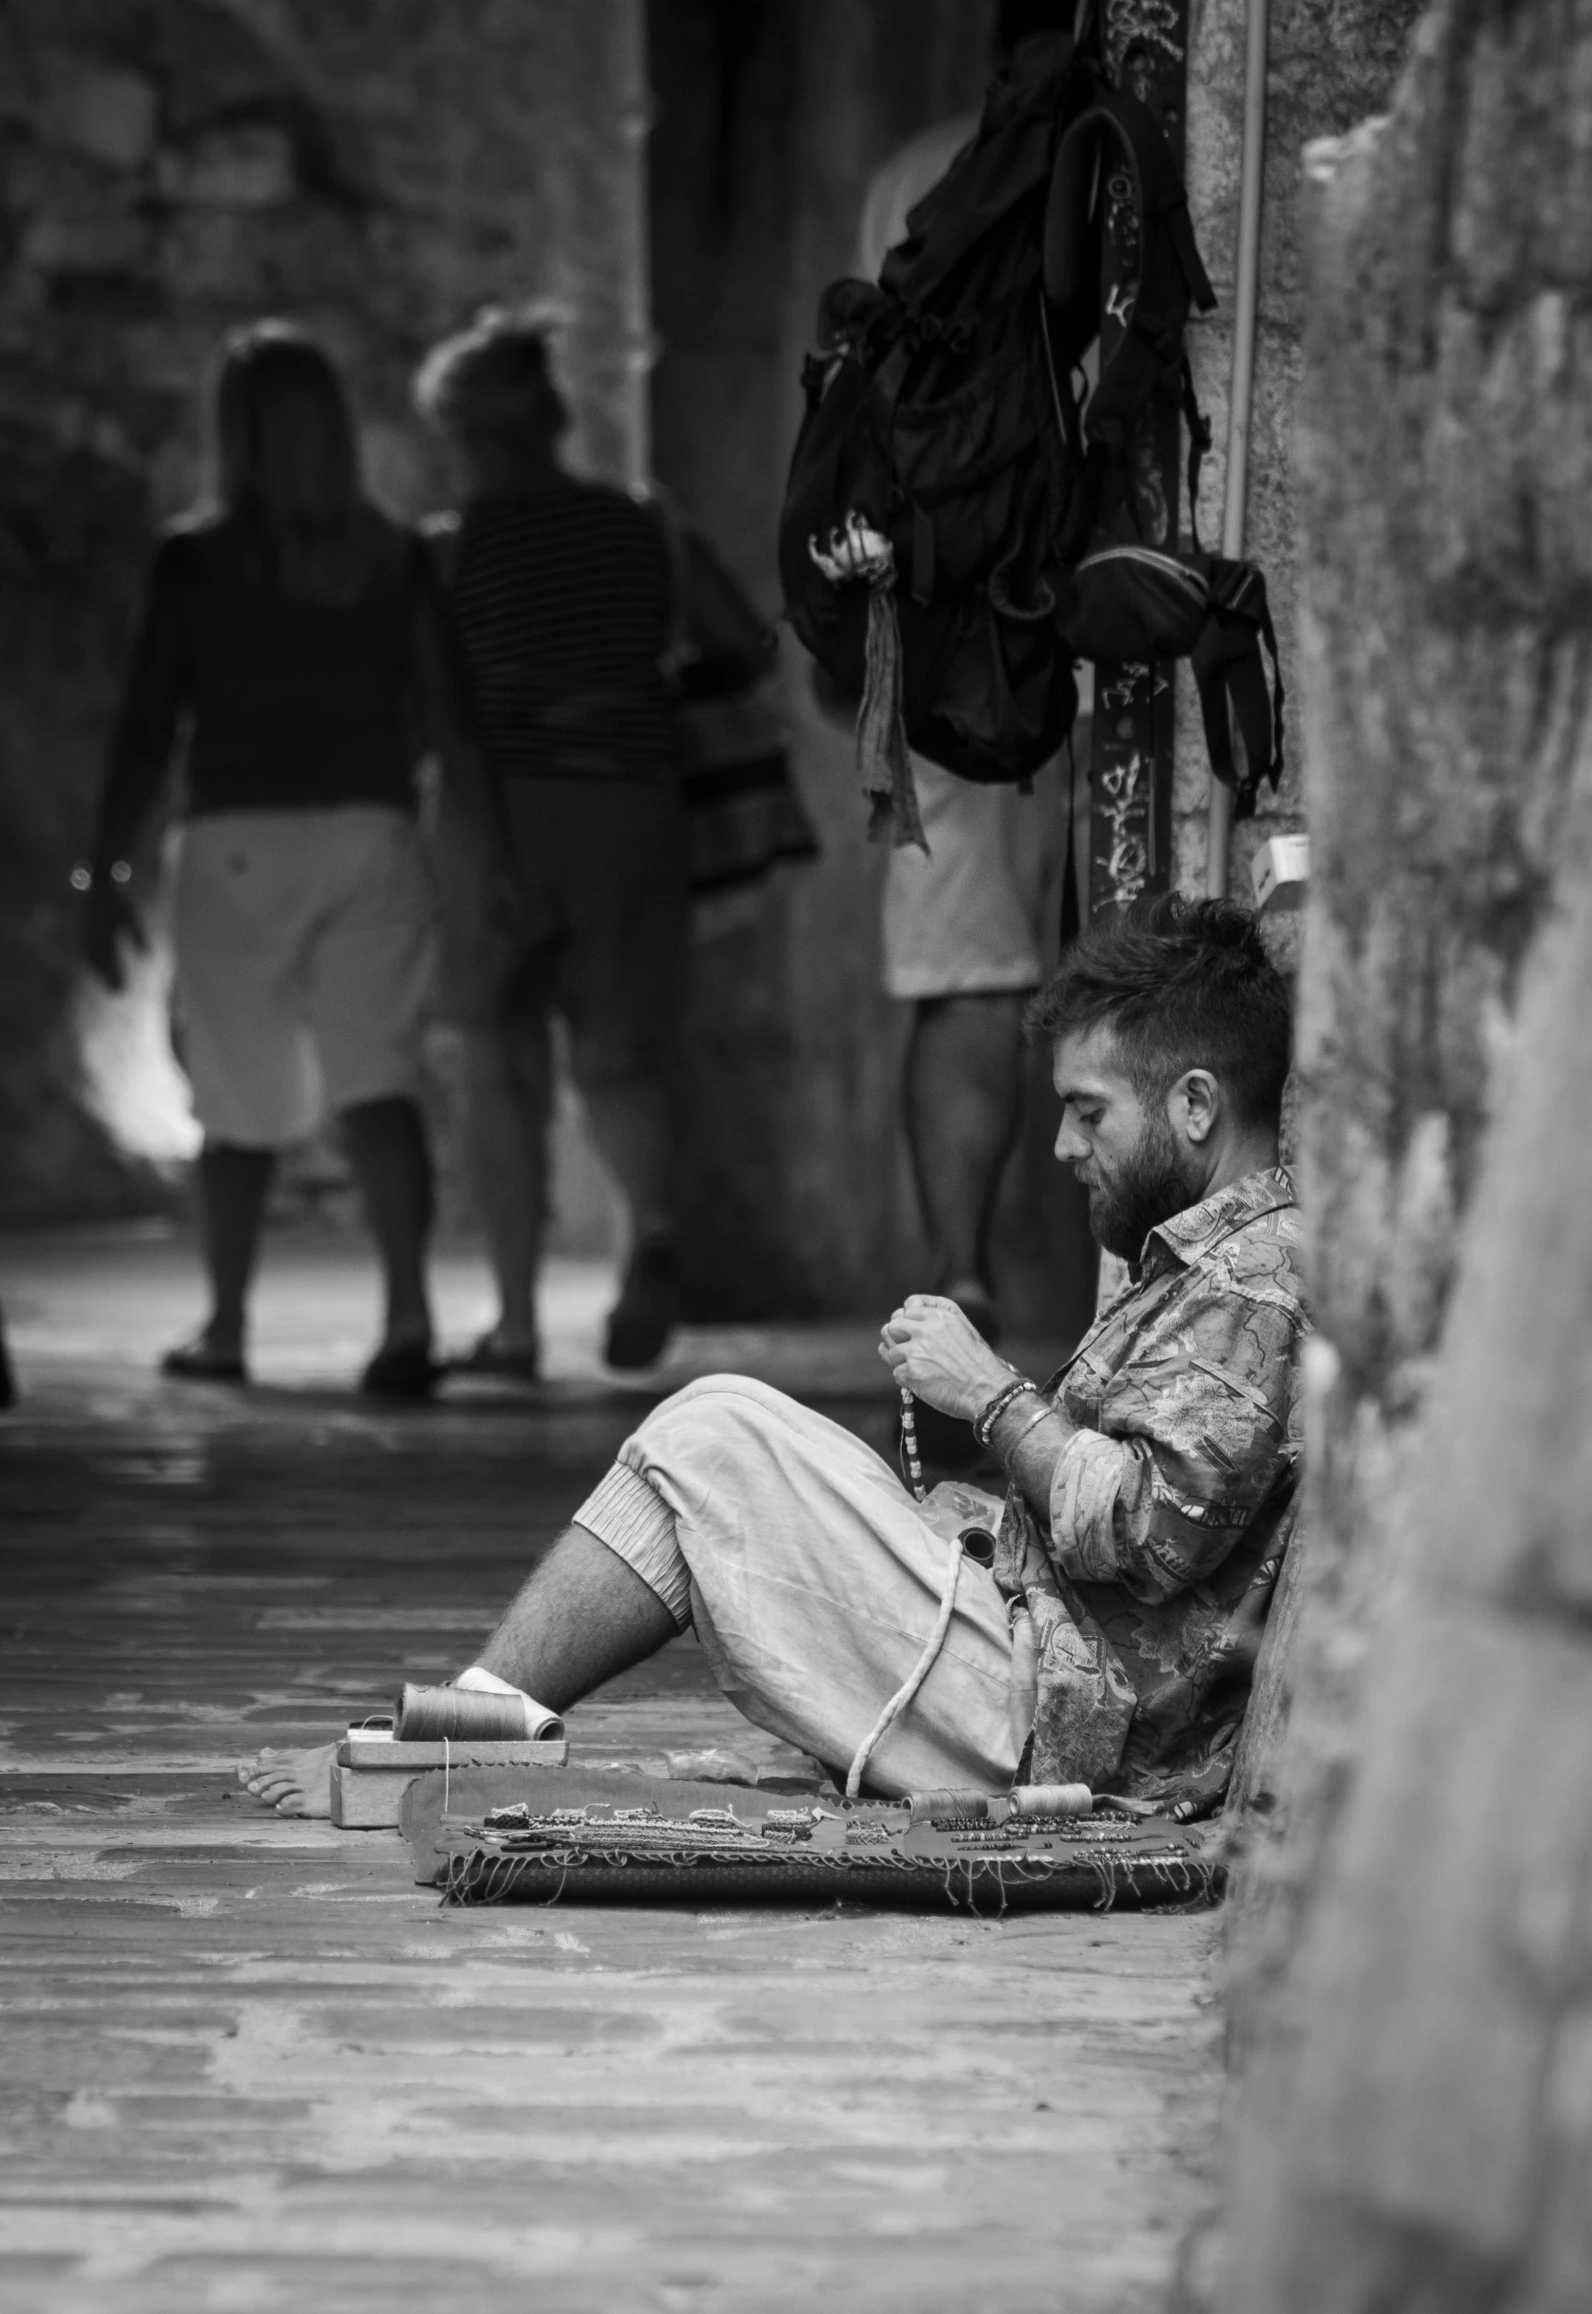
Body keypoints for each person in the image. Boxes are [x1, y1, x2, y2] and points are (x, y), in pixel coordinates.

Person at [241, 898, 1305, 1820]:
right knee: (705, 1444)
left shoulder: (1248, 1284)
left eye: (1088, 1113)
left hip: (1043, 1713)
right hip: (1018, 1653)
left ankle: (449, 1735)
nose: (1066, 1149)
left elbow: (1149, 1531)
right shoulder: (1195, 1266)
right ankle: (462, 1726)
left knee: (714, 1430)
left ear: (1196, 1105)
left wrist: (987, 1394)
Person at [83, 321, 500, 1396]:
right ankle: (406, 1318)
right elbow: (452, 721)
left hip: (237, 845)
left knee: (232, 1094)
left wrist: (103, 872)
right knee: (380, 1081)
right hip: (371, 833)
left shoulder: (194, 561)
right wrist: (489, 854)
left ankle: (226, 1327)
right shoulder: (395, 556)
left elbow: (146, 727)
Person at [850, 0, 1084, 1382]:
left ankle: (961, 1269)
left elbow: (859, 402)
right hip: (1113, 582)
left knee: (962, 969)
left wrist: (860, 628)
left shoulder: (920, 168)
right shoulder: (1130, 152)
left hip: (947, 612)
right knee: (1160, 935)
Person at [412, 311, 688, 1380]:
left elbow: (441, 715)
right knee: (619, 1055)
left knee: (499, 1062)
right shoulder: (637, 522)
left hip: (507, 808)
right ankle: (654, 1225)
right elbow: (724, 637)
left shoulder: (452, 549)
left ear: (464, 433)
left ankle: (517, 1324)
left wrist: (486, 850)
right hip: (632, 809)